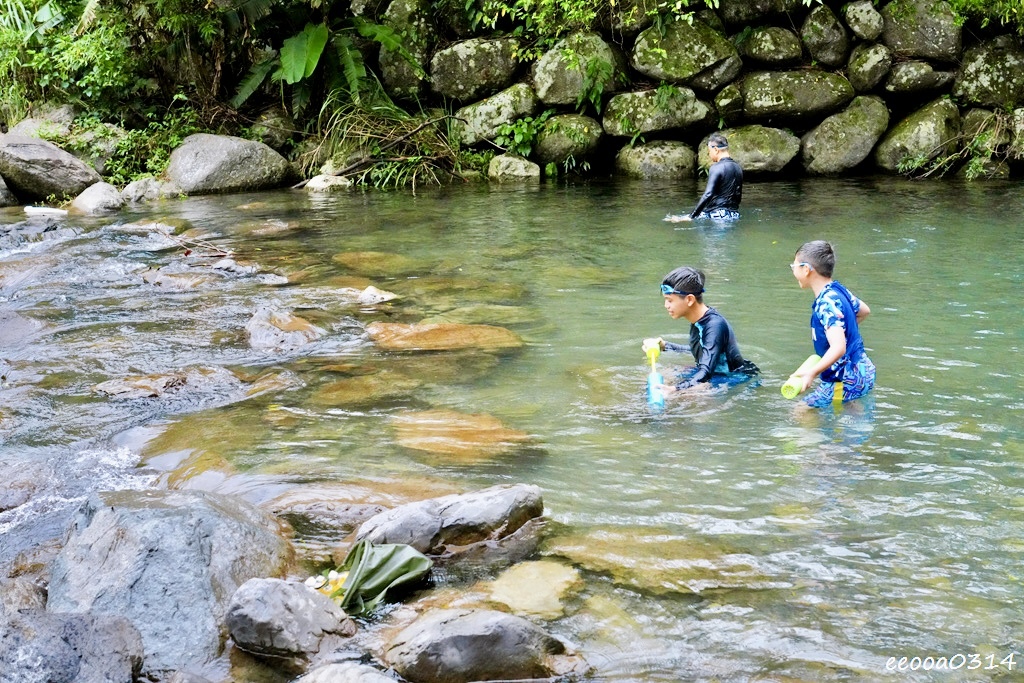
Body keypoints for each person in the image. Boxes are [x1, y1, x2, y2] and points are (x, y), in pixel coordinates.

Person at [642, 266, 758, 396]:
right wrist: (666, 346)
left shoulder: (714, 325)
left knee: (685, 396)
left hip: (734, 378)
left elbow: (706, 372)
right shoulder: (699, 321)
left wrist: (676, 390)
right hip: (714, 372)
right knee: (665, 374)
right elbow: (703, 351)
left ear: (690, 299)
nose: (666, 305)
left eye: (670, 300)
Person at [789, 240, 876, 408]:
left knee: (802, 411)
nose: (793, 269)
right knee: (848, 408)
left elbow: (838, 347)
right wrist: (842, 331)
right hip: (863, 369)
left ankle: (821, 435)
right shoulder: (838, 290)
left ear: (806, 269)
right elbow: (864, 311)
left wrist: (811, 373)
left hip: (844, 378)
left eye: (795, 265)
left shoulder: (825, 303)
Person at [665, 133, 743, 222]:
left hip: (717, 215)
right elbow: (738, 196)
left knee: (674, 219)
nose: (709, 155)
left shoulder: (717, 167)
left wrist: (691, 216)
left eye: (709, 151)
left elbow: (708, 194)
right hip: (734, 214)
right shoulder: (738, 168)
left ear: (716, 150)